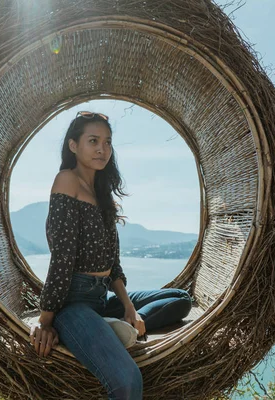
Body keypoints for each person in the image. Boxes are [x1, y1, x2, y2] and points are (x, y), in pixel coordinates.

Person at [29, 111, 193, 400]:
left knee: (181, 299)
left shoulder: (102, 194)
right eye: (93, 141)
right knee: (128, 381)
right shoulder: (66, 180)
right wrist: (45, 321)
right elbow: (62, 259)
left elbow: (112, 264)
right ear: (73, 146)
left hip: (102, 298)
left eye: (107, 142)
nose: (102, 149)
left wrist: (130, 308)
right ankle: (103, 330)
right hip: (73, 303)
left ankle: (117, 327)